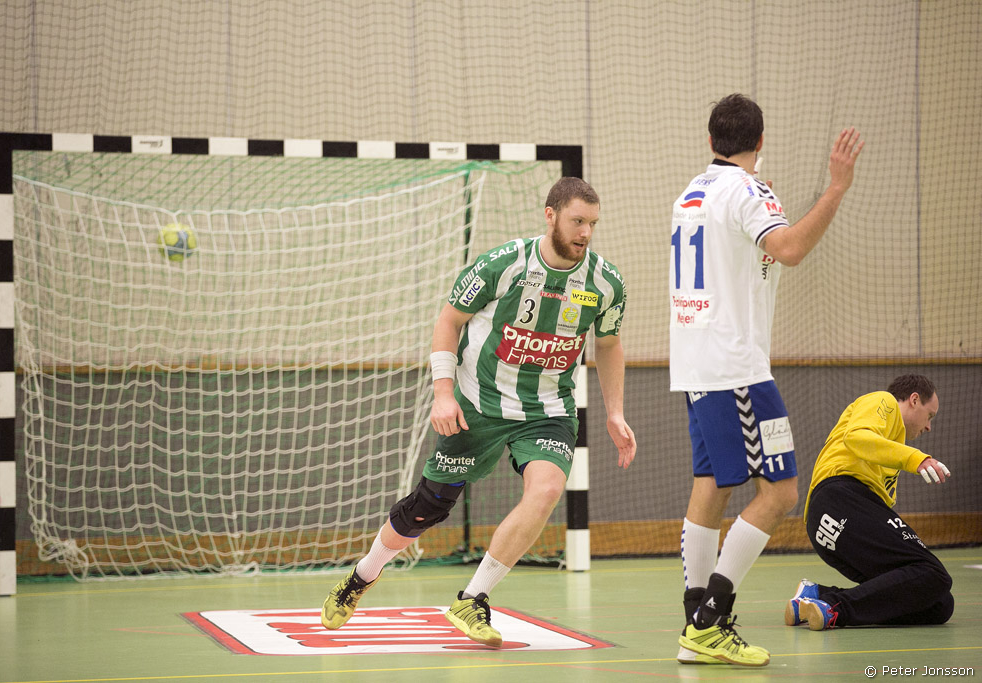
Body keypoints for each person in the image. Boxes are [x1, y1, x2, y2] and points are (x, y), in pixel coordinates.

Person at [320, 176, 636, 647]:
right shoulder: (502, 264)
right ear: (550, 215)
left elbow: (608, 345)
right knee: (427, 509)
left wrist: (615, 412)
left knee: (547, 488)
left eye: (592, 223)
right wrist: (443, 394)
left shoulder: (606, 283)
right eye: (577, 221)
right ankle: (363, 575)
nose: (585, 232)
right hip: (478, 402)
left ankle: (473, 597)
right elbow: (449, 321)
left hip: (547, 409)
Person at [669, 93, 864, 667]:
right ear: (759, 141)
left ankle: (696, 625)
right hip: (738, 367)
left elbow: (747, 256)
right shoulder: (748, 192)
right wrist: (836, 188)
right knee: (780, 491)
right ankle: (711, 621)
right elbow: (791, 248)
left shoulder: (692, 192)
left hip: (696, 364)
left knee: (711, 483)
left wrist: (762, 202)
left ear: (711, 141)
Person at [785, 374, 953, 630]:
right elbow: (857, 437)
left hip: (825, 525)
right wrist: (916, 459)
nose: (929, 427)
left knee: (937, 602)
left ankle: (816, 596)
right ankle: (833, 607)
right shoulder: (883, 401)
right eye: (930, 416)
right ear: (914, 400)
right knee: (934, 573)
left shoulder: (889, 449)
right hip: (840, 499)